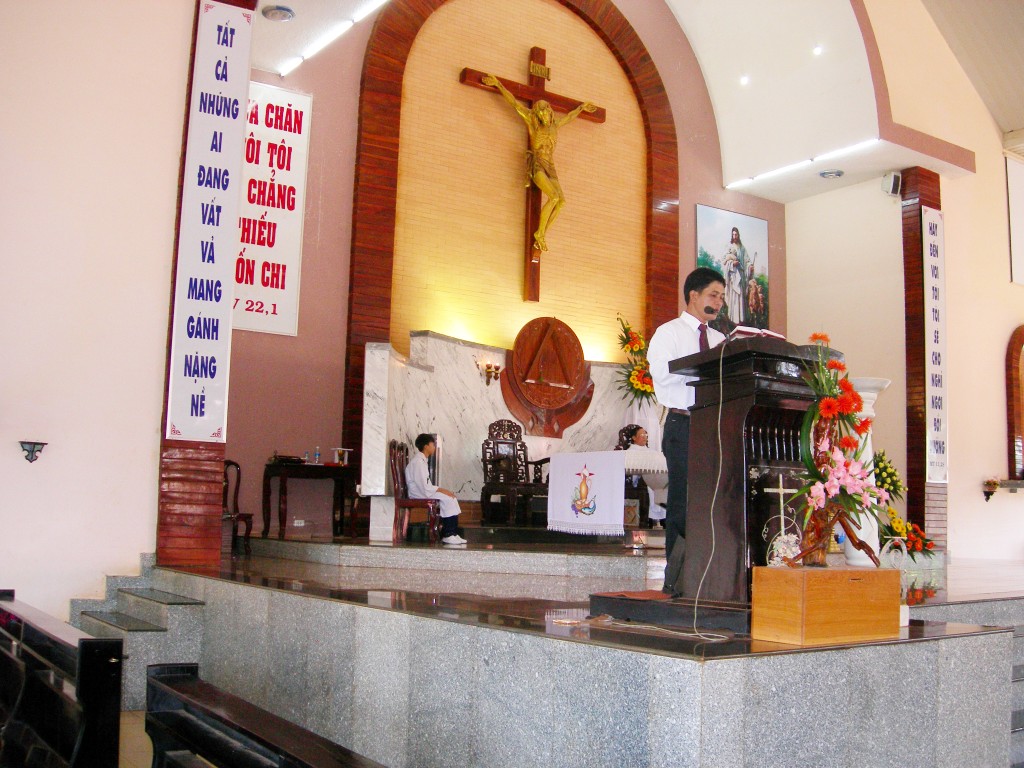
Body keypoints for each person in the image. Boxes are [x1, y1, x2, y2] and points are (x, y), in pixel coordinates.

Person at [646, 267, 727, 592]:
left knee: (714, 499)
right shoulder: (668, 333)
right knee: (683, 499)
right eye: (713, 295)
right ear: (693, 295)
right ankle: (678, 580)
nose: (719, 302)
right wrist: (701, 372)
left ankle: (711, 574)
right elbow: (663, 378)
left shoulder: (720, 340)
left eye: (721, 297)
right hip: (683, 423)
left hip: (715, 426)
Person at [481, 73, 597, 252]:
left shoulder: (555, 125)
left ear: (550, 112)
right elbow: (514, 103)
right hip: (538, 164)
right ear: (536, 114)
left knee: (561, 202)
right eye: (540, 113)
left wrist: (581, 107)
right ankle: (540, 234)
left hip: (551, 166)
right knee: (554, 197)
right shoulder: (532, 123)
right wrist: (498, 84)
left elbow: (570, 117)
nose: (544, 115)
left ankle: (541, 234)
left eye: (546, 112)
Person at [406, 433, 466, 545]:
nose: (434, 447)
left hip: (422, 491)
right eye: (432, 445)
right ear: (426, 446)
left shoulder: (422, 460)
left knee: (451, 498)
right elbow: (424, 487)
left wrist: (442, 490)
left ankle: (452, 533)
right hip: (418, 493)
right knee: (449, 498)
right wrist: (441, 490)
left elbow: (425, 485)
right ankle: (448, 534)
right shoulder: (418, 462)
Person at [722, 227, 747, 325]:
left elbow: (747, 261)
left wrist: (750, 267)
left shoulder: (742, 248)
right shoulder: (729, 246)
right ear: (731, 235)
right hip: (732, 277)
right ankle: (733, 319)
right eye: (733, 235)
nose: (735, 236)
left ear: (738, 235)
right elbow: (724, 261)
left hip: (740, 276)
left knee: (740, 297)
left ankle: (741, 320)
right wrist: (732, 264)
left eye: (736, 235)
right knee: (733, 297)